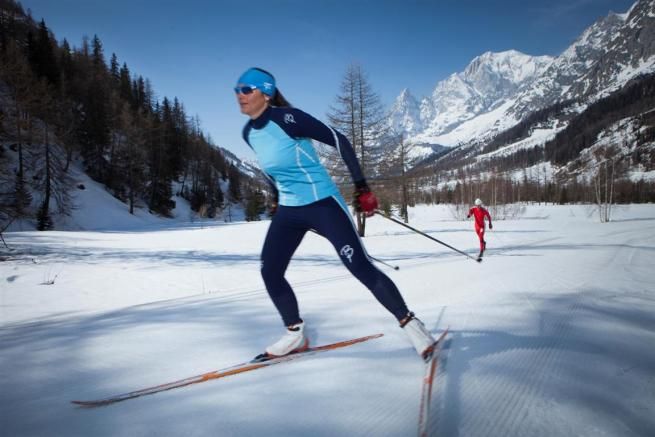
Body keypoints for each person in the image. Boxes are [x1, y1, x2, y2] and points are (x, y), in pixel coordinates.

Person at [235, 67, 436, 361]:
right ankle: (295, 334)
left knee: (359, 266)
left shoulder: (289, 119)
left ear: (265, 93)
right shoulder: (248, 133)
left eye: (246, 89)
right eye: (237, 90)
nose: (239, 95)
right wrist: (277, 197)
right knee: (270, 270)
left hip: (322, 204)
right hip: (290, 210)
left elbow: (339, 139)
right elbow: (271, 168)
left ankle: (412, 325)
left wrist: (361, 187)